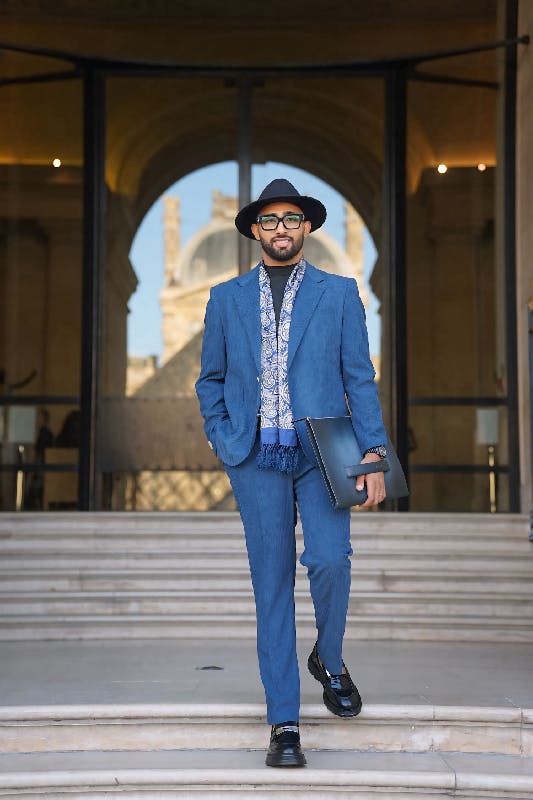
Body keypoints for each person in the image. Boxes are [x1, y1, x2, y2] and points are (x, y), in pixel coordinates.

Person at [195, 179, 387, 768]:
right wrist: (223, 435)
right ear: (256, 230)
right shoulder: (225, 299)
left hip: (326, 448)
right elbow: (210, 380)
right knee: (272, 583)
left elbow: (359, 378)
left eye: (292, 219)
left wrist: (375, 453)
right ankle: (284, 721)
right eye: (270, 220)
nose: (281, 228)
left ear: (306, 227)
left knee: (331, 560)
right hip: (255, 455)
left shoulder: (340, 293)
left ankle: (328, 657)